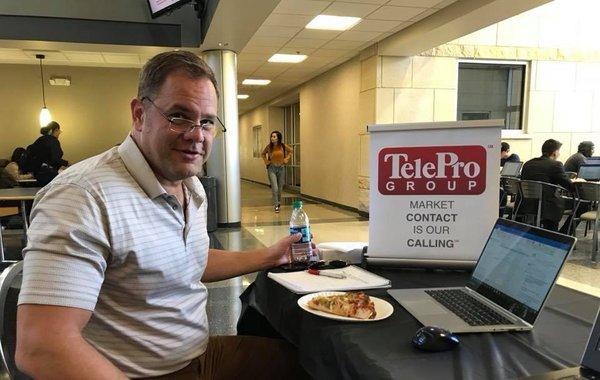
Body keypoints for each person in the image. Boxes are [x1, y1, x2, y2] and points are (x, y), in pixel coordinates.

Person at [16, 51, 311, 379]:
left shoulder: (191, 186)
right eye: (179, 116)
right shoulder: (82, 196)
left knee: (318, 363)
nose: (197, 135)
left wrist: (270, 255)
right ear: (139, 114)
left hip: (199, 356)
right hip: (140, 373)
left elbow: (186, 262)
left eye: (207, 122)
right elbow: (42, 346)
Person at [519, 139, 574, 231]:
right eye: (559, 151)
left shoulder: (528, 163)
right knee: (580, 205)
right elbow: (568, 185)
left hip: (526, 203)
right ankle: (563, 234)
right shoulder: (556, 165)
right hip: (545, 205)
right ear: (555, 152)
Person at [26, 121, 69, 186]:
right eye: (59, 131)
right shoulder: (53, 141)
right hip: (49, 173)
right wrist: (68, 163)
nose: (59, 133)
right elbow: (55, 159)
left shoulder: (40, 140)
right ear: (55, 130)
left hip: (38, 174)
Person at [261, 131, 293, 213]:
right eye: (271, 136)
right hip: (272, 168)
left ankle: (278, 202)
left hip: (281, 168)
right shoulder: (269, 147)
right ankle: (276, 205)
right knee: (275, 188)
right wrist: (266, 161)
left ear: (278, 138)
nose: (272, 138)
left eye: (274, 136)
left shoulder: (282, 146)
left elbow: (291, 151)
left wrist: (287, 159)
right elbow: (263, 154)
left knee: (280, 188)